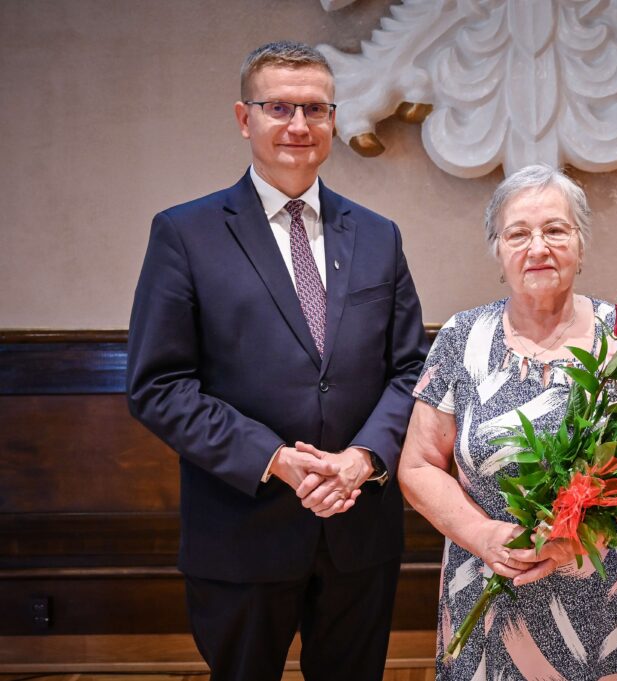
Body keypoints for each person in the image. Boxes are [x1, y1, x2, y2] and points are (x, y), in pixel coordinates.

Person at [126, 41, 428, 681]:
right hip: (242, 530)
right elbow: (159, 386)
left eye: (315, 109)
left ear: (334, 120)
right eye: (279, 107)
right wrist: (277, 460)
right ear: (244, 118)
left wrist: (362, 460)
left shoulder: (379, 235)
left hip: (359, 529)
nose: (299, 126)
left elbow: (411, 371)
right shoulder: (186, 233)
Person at [399, 164, 617, 680]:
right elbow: (419, 464)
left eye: (556, 231)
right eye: (517, 234)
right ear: (497, 251)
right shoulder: (461, 337)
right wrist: (484, 534)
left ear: (581, 246)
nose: (537, 247)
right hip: (491, 590)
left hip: (609, 596)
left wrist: (581, 537)